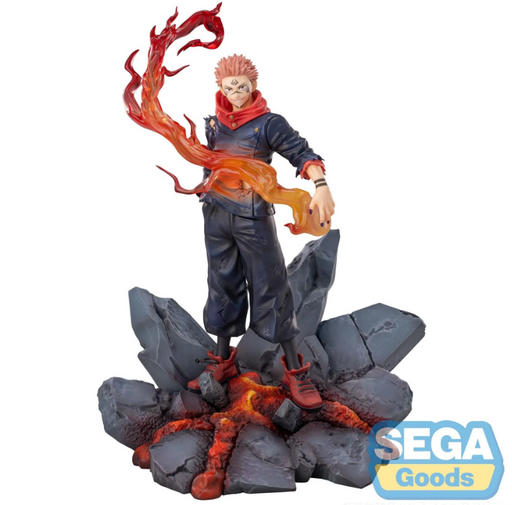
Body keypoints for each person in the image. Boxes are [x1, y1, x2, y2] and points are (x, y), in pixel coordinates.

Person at [187, 55, 335, 411]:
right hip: (216, 214)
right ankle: (222, 360)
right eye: (229, 87)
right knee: (221, 283)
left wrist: (321, 185)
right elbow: (212, 158)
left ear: (253, 86)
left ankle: (295, 369)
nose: (236, 93)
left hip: (253, 216)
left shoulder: (269, 124)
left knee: (272, 286)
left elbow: (301, 152)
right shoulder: (214, 124)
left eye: (242, 86)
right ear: (220, 88)